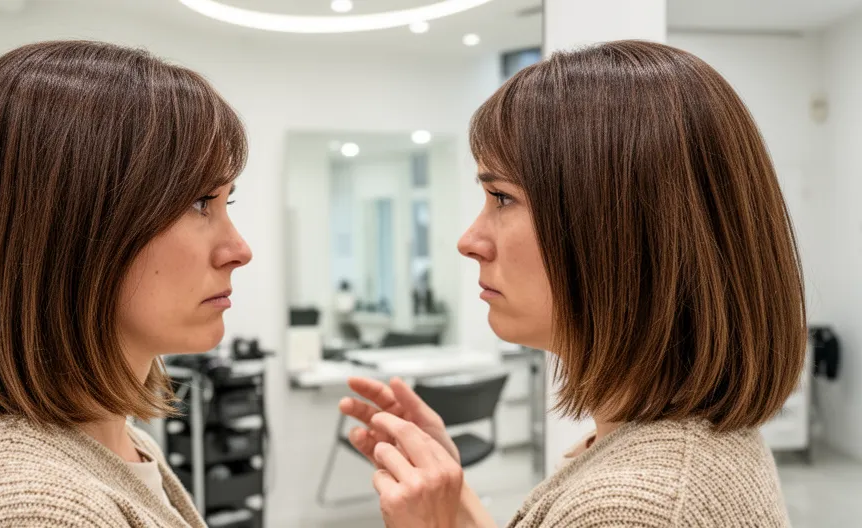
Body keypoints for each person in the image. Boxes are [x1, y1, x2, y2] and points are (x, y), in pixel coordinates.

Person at [339, 40, 805, 527]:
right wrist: (451, 498)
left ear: (615, 228)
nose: (469, 241)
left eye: (501, 197)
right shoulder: (678, 451)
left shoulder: (634, 511)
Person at [0, 40, 252, 527]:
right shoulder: (32, 510)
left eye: (226, 204)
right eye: (200, 202)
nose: (238, 250)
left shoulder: (119, 444)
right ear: (70, 230)